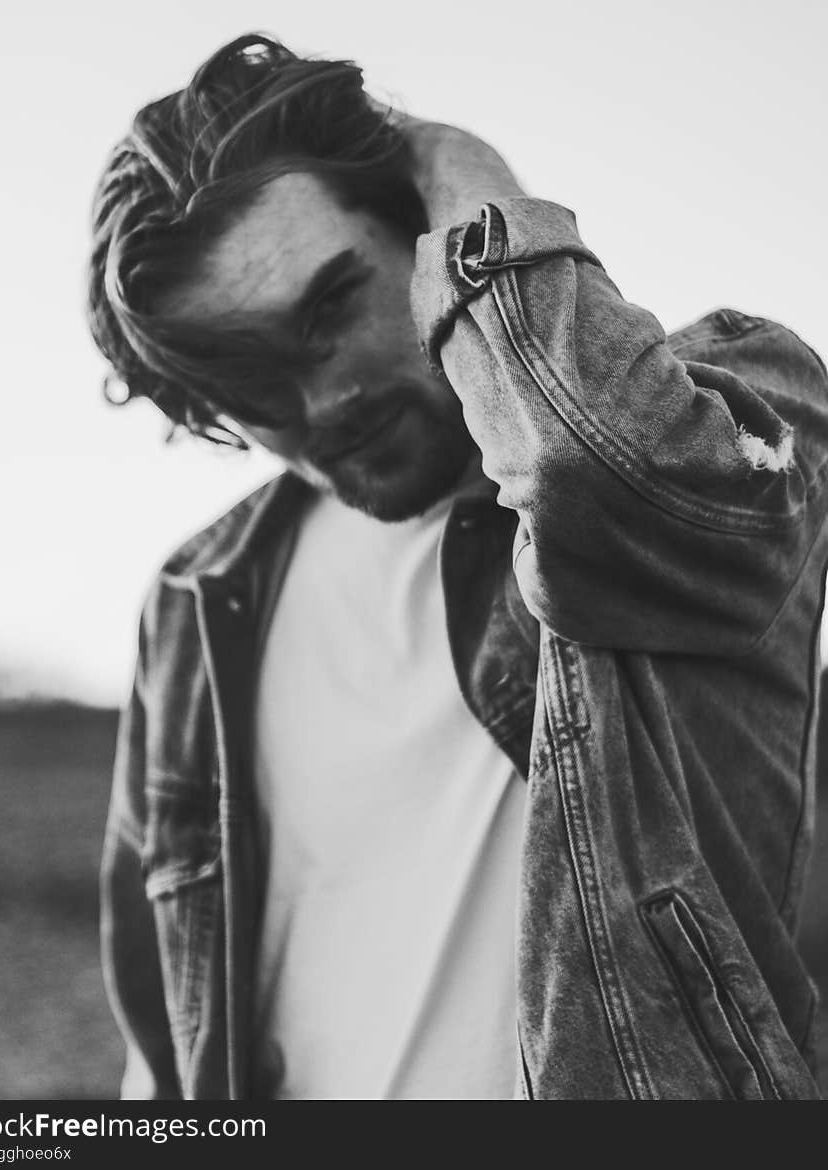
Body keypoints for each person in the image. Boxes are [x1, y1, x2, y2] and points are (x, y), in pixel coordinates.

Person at [89, 33, 828, 1100]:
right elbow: (166, 1044)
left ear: (424, 232)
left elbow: (583, 461)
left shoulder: (725, 420)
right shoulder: (201, 602)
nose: (324, 401)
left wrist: (443, 156)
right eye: (252, 388)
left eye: (333, 308)